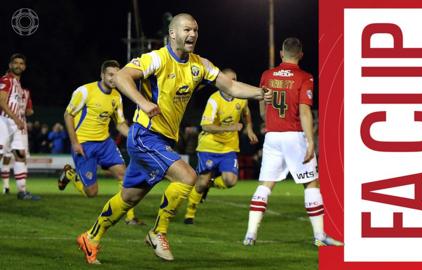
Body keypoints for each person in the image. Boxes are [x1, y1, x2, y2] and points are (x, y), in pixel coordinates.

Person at [76, 13, 272, 264]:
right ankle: (158, 232)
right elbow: (122, 77)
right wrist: (143, 102)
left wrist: (259, 93)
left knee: (130, 197)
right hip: (145, 135)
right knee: (188, 176)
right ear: (173, 34)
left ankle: (91, 237)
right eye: (187, 30)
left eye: (196, 30)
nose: (192, 35)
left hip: (161, 140)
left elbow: (231, 87)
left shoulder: (200, 64)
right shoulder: (156, 58)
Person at [242, 38, 343, 247]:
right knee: (311, 183)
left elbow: (262, 106)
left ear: (281, 54)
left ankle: (250, 235)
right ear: (301, 55)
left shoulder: (267, 75)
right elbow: (305, 111)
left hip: (272, 136)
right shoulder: (305, 77)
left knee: (266, 185)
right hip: (294, 135)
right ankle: (319, 236)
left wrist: (267, 120)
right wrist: (311, 141)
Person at [59, 60, 144, 225]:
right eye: (110, 75)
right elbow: (68, 115)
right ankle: (71, 174)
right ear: (102, 75)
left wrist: (133, 137)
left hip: (105, 143)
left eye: (116, 75)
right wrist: (75, 142)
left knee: (124, 175)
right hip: (84, 144)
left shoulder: (117, 96)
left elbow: (120, 124)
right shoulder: (84, 91)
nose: (114, 79)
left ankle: (130, 217)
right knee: (91, 192)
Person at [183, 68, 258, 224]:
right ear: (221, 83)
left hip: (229, 147)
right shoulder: (214, 100)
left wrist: (249, 128)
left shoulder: (241, 97)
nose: (233, 83)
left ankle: (209, 185)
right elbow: (206, 126)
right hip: (209, 146)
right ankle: (189, 214)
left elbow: (246, 113)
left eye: (235, 79)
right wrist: (231, 128)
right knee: (201, 182)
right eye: (230, 80)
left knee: (230, 181)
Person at [0, 53, 38, 200]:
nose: (18, 65)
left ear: (25, 67)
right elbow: (1, 101)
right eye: (15, 63)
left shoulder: (18, 85)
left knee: (20, 156)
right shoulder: (6, 80)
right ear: (10, 65)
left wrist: (18, 119)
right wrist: (16, 118)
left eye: (21, 63)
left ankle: (22, 191)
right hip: (3, 121)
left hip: (15, 124)